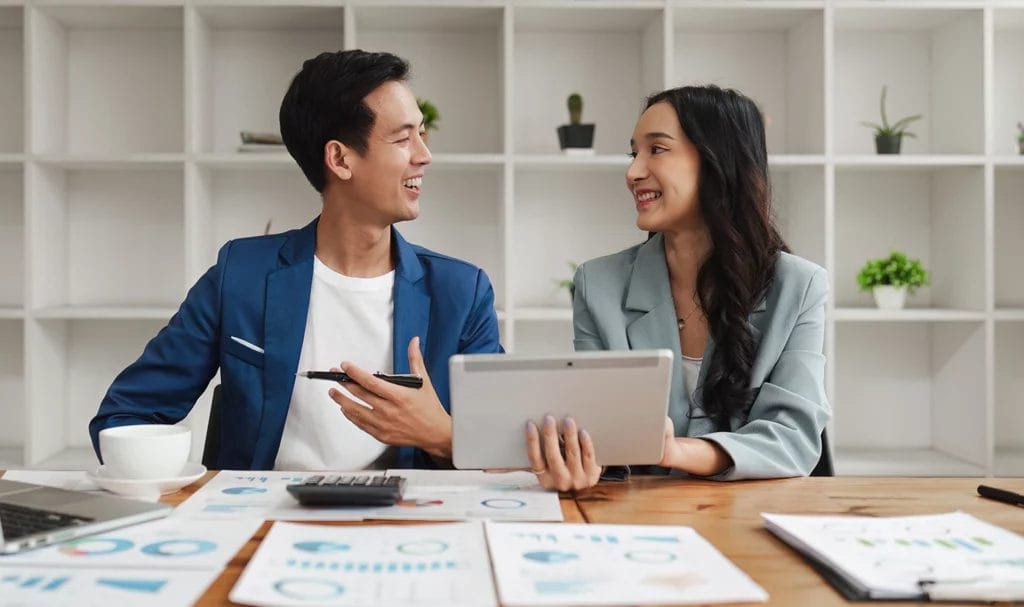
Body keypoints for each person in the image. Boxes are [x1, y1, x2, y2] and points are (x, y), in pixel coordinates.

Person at [90, 50, 502, 471]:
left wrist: (440, 435)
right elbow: (126, 415)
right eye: (403, 139)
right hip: (264, 522)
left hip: (408, 526)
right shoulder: (241, 276)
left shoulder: (462, 292)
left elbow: (508, 453)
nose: (424, 155)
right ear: (340, 159)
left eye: (422, 134)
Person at [527, 85, 830, 490]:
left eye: (657, 150)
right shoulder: (597, 284)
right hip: (641, 518)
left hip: (751, 516)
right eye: (633, 153)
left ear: (717, 161)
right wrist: (576, 460)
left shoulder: (799, 286)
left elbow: (793, 439)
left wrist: (674, 451)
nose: (633, 172)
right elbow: (599, 435)